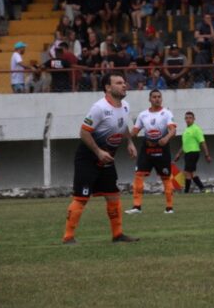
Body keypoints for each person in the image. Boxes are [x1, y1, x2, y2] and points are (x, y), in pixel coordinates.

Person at [62, 73, 139, 244]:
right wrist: (98, 152)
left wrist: (129, 142)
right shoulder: (99, 108)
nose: (124, 85)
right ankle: (68, 237)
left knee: (113, 195)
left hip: (107, 160)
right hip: (88, 159)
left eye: (124, 82)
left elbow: (123, 125)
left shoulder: (125, 106)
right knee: (81, 198)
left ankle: (118, 235)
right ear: (108, 88)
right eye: (119, 83)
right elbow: (83, 132)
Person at [126, 90, 177, 214]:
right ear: (149, 99)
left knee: (166, 178)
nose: (157, 99)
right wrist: (126, 134)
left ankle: (169, 207)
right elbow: (134, 132)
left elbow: (173, 130)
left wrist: (166, 138)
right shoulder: (143, 115)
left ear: (161, 99)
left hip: (162, 150)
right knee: (139, 175)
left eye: (159, 97)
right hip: (147, 150)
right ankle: (136, 207)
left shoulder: (166, 113)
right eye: (154, 97)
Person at [174, 111, 211, 193]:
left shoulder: (196, 129)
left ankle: (192, 190)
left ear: (194, 119)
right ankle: (199, 189)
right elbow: (184, 144)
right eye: (186, 118)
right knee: (190, 173)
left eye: (190, 118)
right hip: (187, 153)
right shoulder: (186, 130)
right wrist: (178, 154)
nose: (188, 120)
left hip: (193, 152)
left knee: (188, 172)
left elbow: (202, 142)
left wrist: (207, 155)